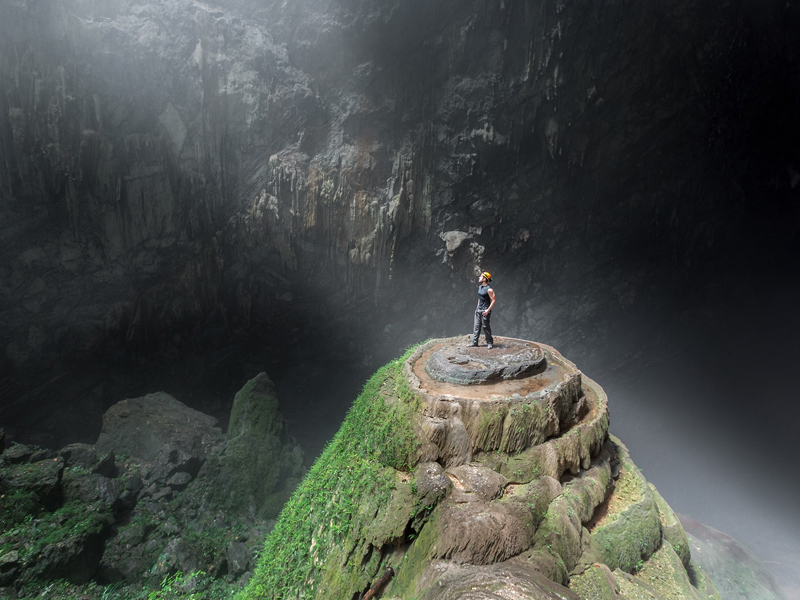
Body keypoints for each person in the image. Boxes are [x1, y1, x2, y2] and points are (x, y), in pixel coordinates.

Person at [471, 271, 496, 348]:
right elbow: (480, 299)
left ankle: (489, 342)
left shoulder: (489, 289)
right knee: (476, 327)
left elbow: (494, 300)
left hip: (485, 311)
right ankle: (474, 342)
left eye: (481, 277)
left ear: (485, 279)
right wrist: (476, 308)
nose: (479, 278)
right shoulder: (480, 287)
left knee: (486, 327)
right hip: (479, 310)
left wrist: (487, 310)